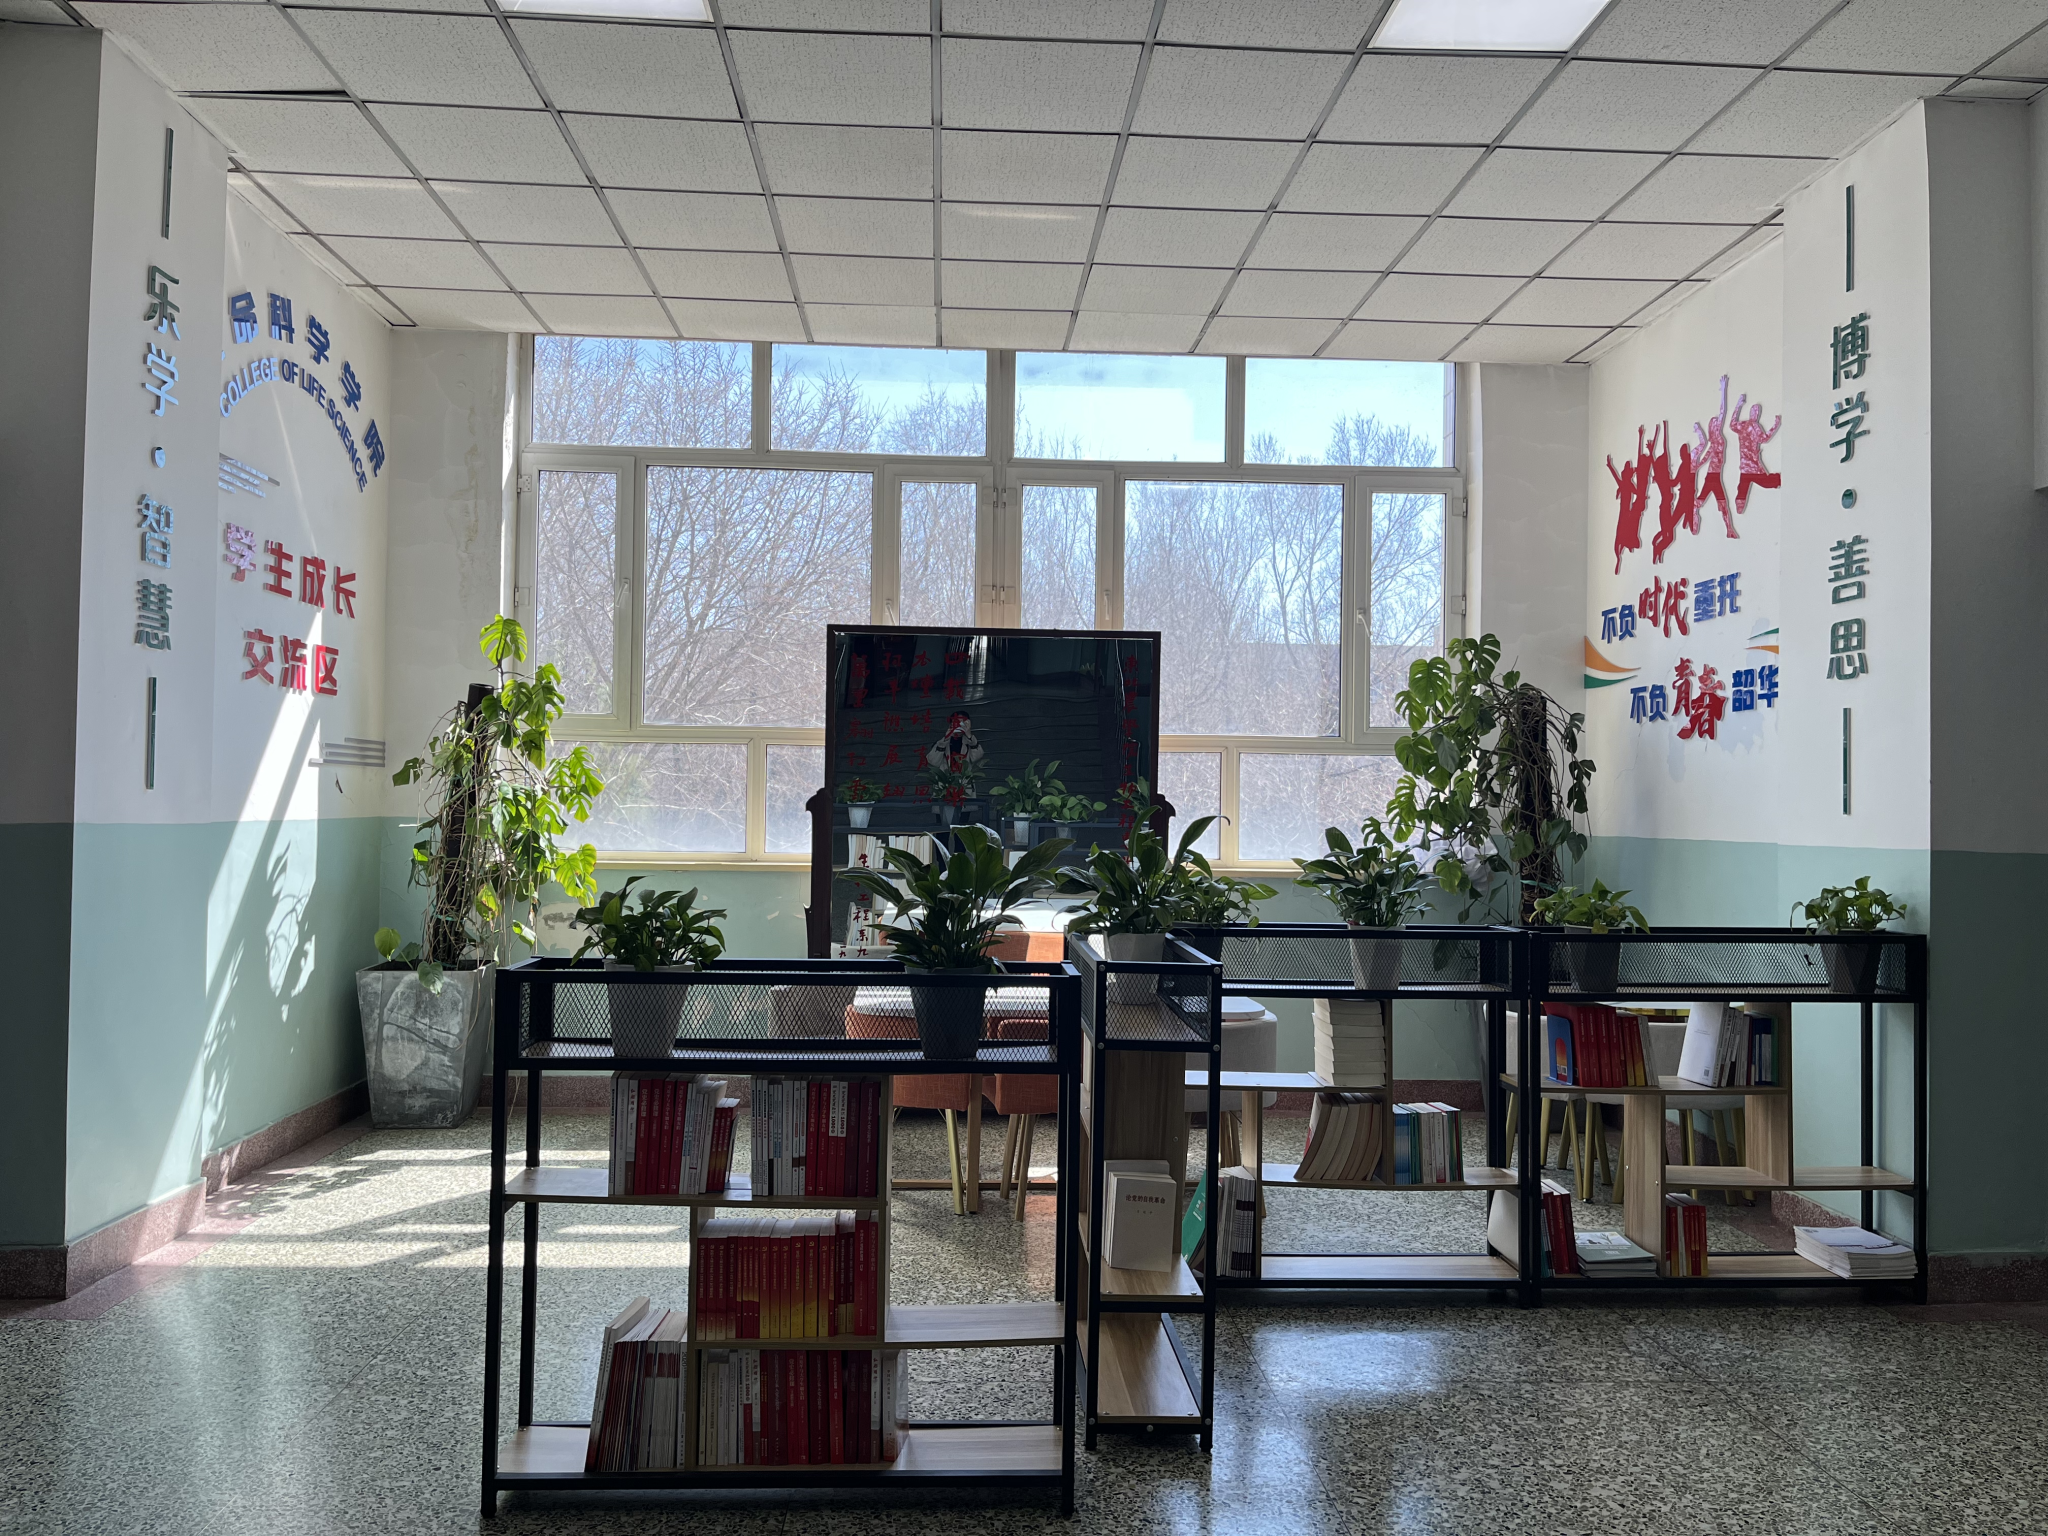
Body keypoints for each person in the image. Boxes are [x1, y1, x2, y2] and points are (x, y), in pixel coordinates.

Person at [1693, 375, 1733, 537]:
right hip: (1712, 477)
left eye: (1718, 422)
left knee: (1722, 505)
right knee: (1716, 504)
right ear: (1713, 427)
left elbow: (1723, 412)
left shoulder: (1718, 441)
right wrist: (1695, 467)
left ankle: (1729, 529)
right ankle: (1693, 511)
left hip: (1715, 476)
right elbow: (1703, 460)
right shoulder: (1713, 444)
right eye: (1715, 423)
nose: (1718, 422)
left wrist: (1723, 389)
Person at [1731, 393, 1781, 514]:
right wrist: (1775, 425)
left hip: (1748, 466)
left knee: (1746, 488)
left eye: (1757, 411)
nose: (1755, 413)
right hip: (1750, 466)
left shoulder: (1747, 426)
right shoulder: (1750, 426)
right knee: (1761, 483)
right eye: (1755, 411)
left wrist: (1738, 405)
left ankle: (1740, 506)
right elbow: (1764, 438)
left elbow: (1732, 424)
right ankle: (1739, 506)